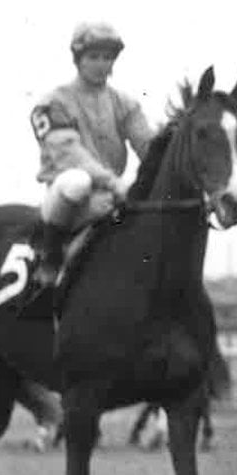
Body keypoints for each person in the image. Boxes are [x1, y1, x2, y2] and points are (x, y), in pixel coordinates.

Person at [25, 22, 154, 298]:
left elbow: (147, 147)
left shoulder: (126, 104)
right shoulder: (53, 102)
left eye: (107, 58)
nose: (100, 64)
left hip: (113, 195)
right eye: (93, 57)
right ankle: (50, 258)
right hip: (70, 199)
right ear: (78, 59)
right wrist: (113, 183)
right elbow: (69, 155)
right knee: (77, 181)